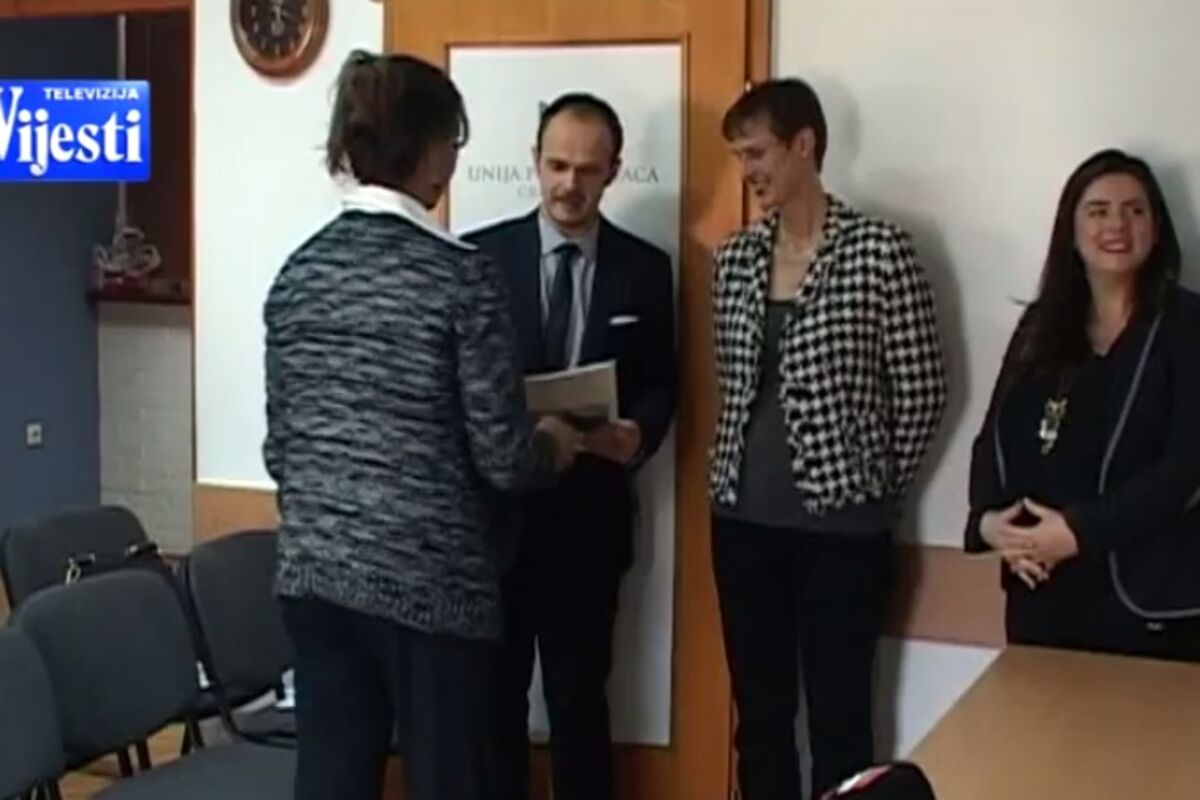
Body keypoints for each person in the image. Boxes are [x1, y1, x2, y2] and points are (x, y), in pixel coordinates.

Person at [262, 50, 581, 800]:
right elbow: (503, 457)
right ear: (434, 153)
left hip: (315, 575)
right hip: (431, 588)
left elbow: (282, 450)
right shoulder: (459, 276)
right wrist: (554, 443)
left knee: (331, 782)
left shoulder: (298, 273)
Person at [710, 79, 948, 800]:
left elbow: (922, 392)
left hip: (843, 532)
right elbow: (733, 387)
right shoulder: (735, 258)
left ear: (804, 145)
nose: (747, 171)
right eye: (739, 157)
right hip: (742, 523)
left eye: (757, 153)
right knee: (760, 718)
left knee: (841, 720)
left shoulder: (880, 251)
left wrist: (868, 483)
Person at [465, 92, 677, 800]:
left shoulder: (645, 268)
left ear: (613, 170)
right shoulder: (479, 257)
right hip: (497, 526)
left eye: (587, 169)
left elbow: (662, 382)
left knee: (581, 709)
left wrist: (639, 432)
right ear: (535, 161)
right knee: (492, 711)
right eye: (557, 165)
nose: (569, 184)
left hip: (589, 527)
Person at [964, 148, 1200, 659]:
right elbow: (992, 441)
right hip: (1041, 594)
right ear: (1071, 231)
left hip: (1149, 606)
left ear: (1157, 229)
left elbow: (1186, 468)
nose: (1117, 225)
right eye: (1098, 211)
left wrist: (1079, 533)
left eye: (1134, 211)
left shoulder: (1186, 325)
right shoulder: (1039, 326)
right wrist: (988, 523)